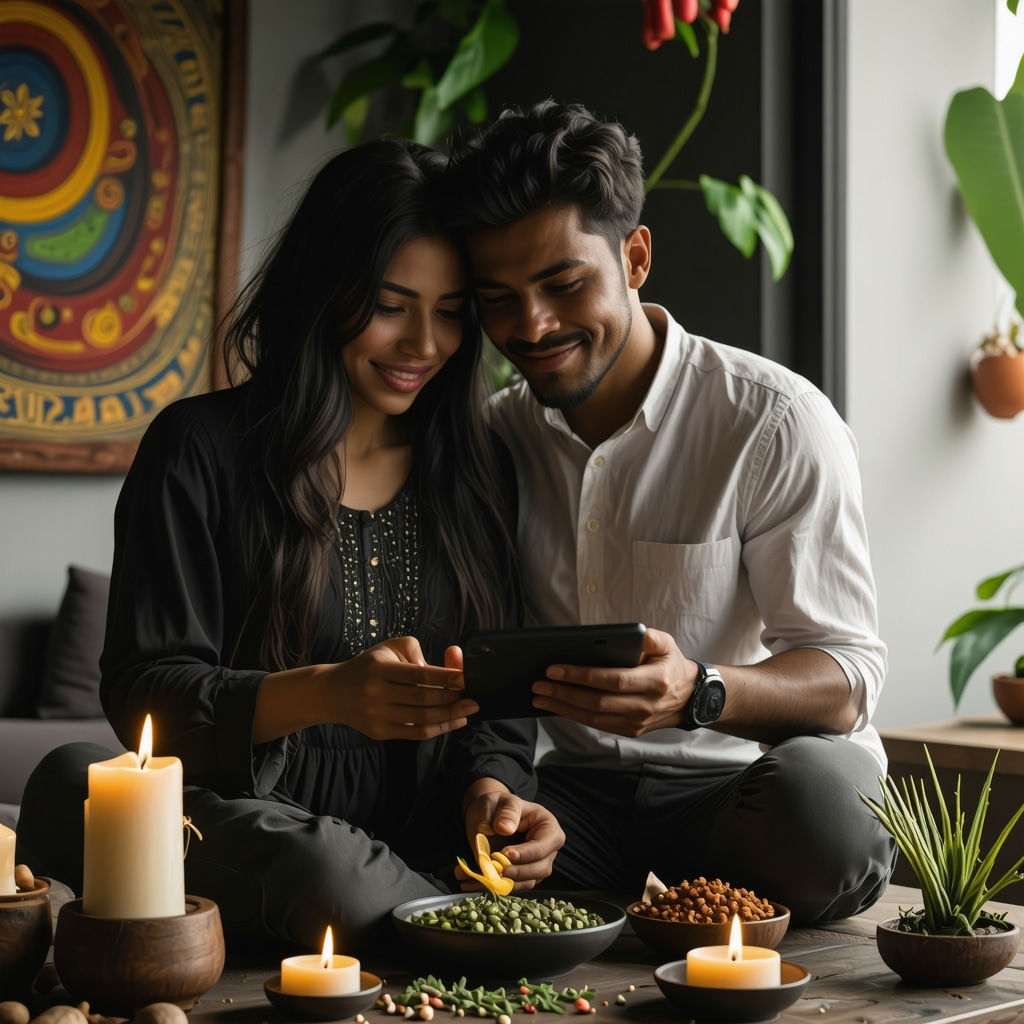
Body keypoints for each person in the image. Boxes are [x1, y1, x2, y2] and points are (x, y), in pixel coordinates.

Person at [16, 139, 562, 950]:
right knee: (72, 782)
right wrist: (326, 694)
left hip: (426, 843)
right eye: (389, 304)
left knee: (348, 880)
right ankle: (443, 926)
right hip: (250, 827)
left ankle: (427, 917)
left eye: (451, 312)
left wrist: (497, 793)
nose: (424, 344)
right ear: (324, 292)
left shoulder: (478, 471)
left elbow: (496, 709)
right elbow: (144, 689)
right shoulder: (198, 448)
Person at [443, 101, 895, 922]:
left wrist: (701, 691)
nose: (531, 326)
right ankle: (616, 887)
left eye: (564, 284)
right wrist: (503, 798)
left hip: (739, 792)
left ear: (636, 257)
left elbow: (848, 678)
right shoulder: (493, 438)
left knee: (829, 816)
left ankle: (670, 890)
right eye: (497, 298)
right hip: (570, 802)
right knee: (430, 823)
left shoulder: (774, 421)